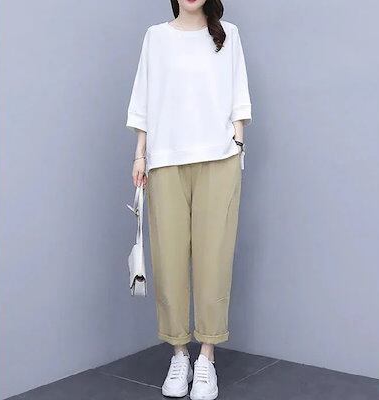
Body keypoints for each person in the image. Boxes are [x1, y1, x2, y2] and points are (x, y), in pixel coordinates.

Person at [126, 0, 251, 398]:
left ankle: (207, 357)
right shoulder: (155, 38)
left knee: (214, 258)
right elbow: (143, 101)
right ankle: (179, 354)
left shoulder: (228, 35)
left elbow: (239, 95)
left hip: (219, 158)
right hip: (165, 160)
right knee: (169, 260)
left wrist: (237, 144)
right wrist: (140, 154)